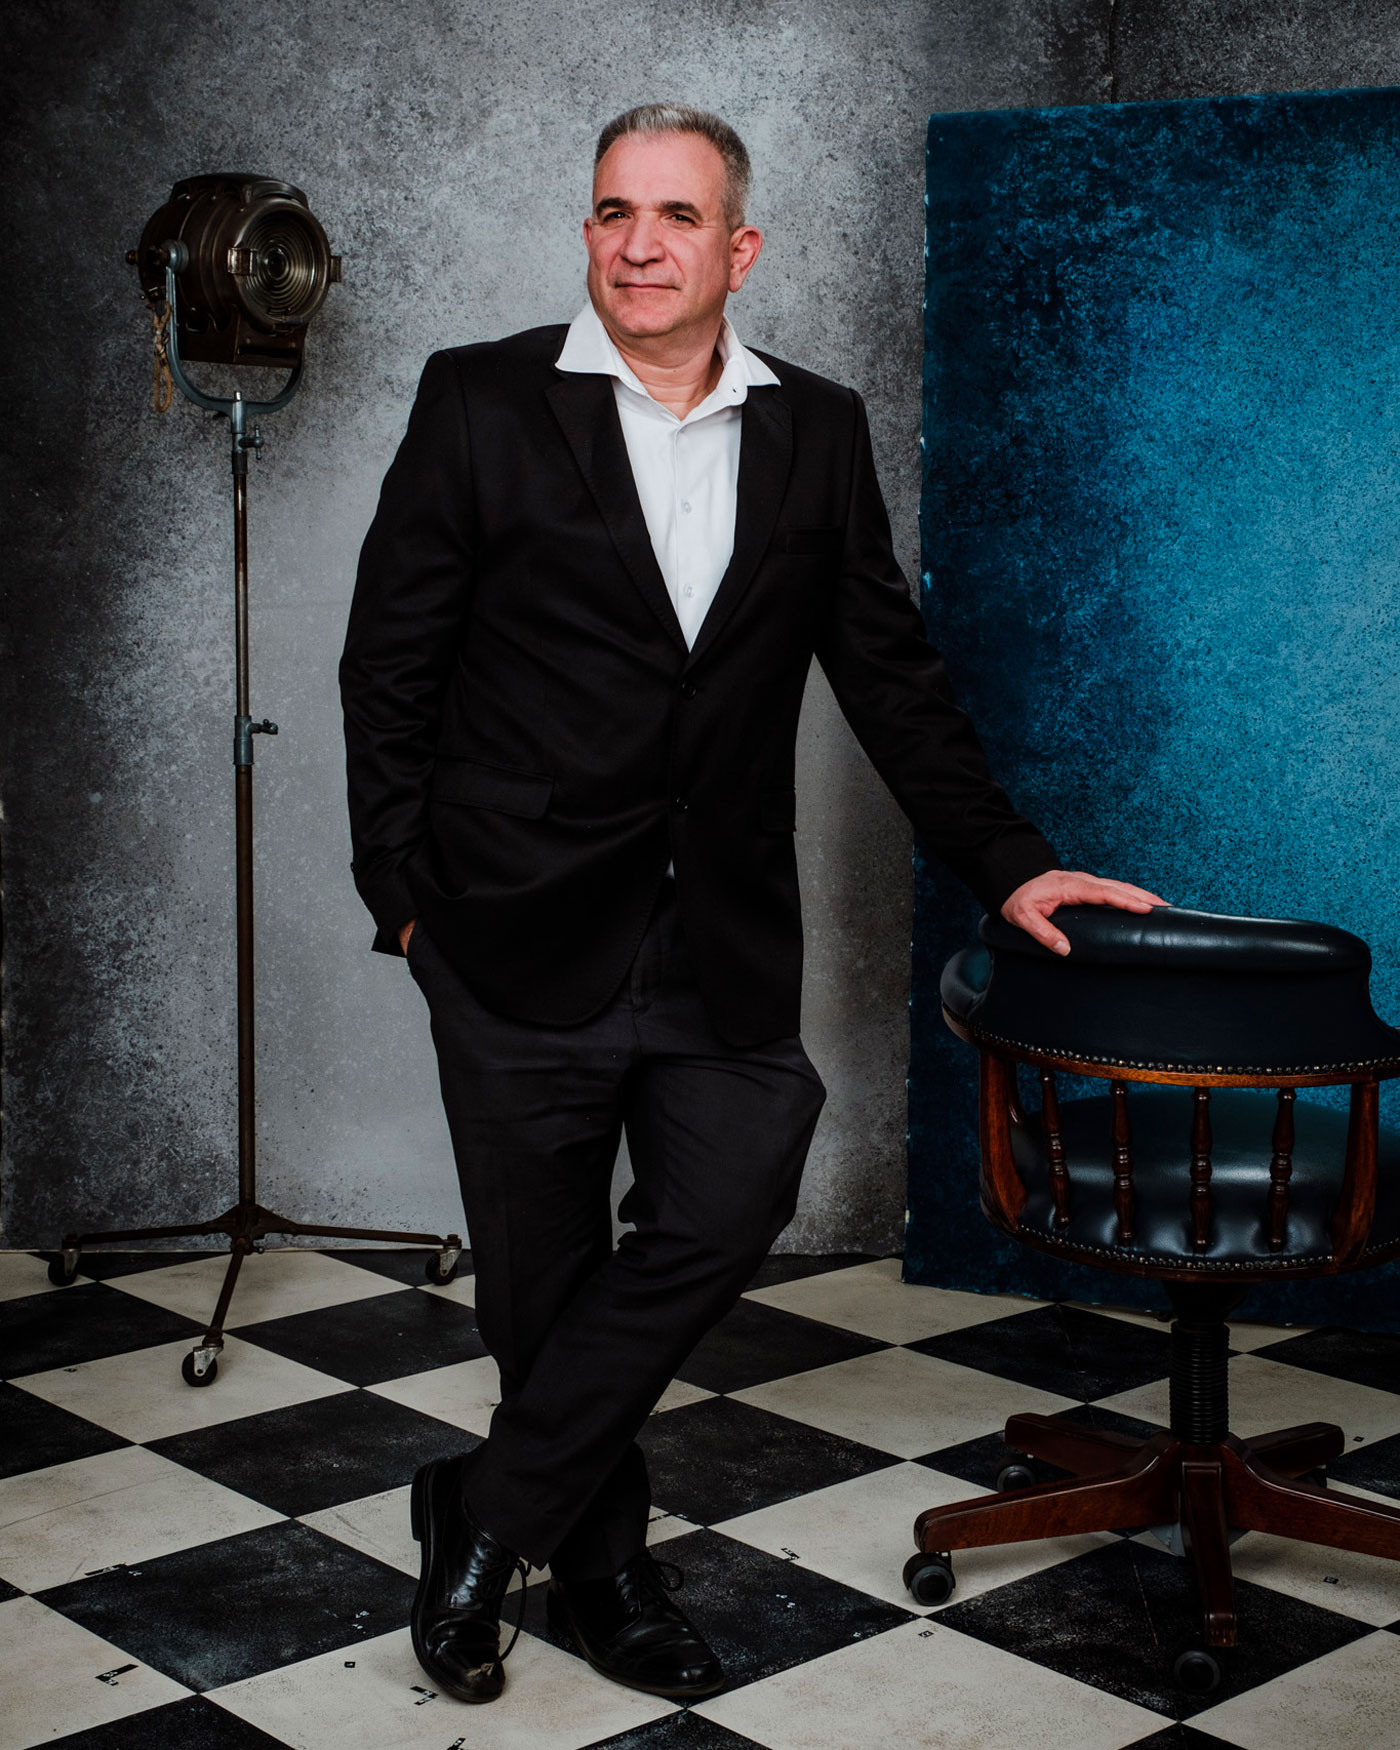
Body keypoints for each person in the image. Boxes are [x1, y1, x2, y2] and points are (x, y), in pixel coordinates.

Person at [339, 102, 1164, 1707]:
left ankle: (485, 1510)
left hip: (715, 933)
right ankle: (605, 1568)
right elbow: (391, 667)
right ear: (588, 234)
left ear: (741, 248)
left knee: (729, 1195)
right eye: (612, 212)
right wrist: (407, 905)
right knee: (540, 1291)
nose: (638, 243)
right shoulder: (481, 399)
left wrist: (1008, 861)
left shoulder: (815, 430)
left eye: (675, 216)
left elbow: (891, 679)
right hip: (508, 931)